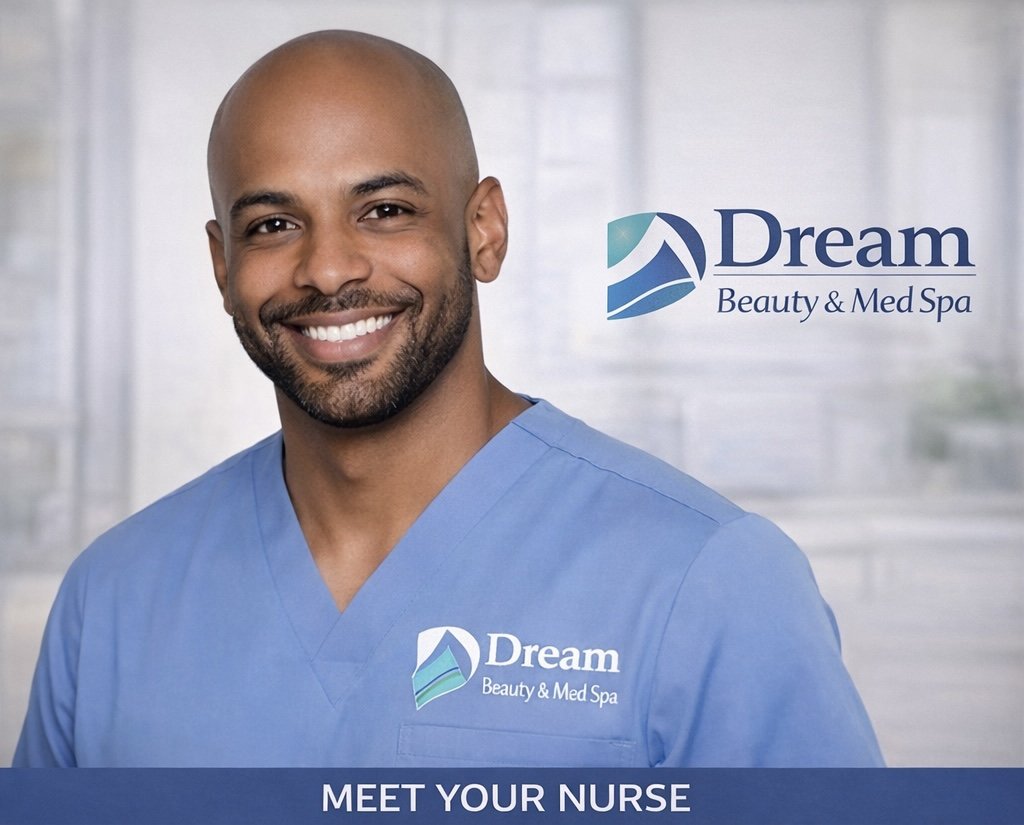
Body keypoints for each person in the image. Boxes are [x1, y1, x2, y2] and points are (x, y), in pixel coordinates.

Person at [14, 30, 883, 767]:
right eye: (273, 225)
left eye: (384, 209)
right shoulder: (113, 603)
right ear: (221, 266)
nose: (327, 268)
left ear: (484, 230)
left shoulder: (710, 580)